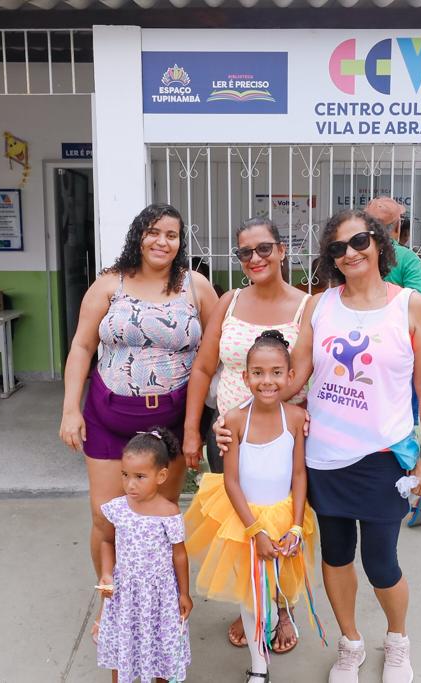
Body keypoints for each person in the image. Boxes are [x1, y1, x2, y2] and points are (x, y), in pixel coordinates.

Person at [213, 209, 421, 681]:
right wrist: (236, 419)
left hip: (383, 458)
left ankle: (396, 640)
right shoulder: (321, 306)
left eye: (359, 241)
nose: (350, 253)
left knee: (382, 563)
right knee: (336, 558)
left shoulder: (410, 305)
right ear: (331, 258)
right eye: (338, 248)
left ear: (379, 242)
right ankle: (350, 643)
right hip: (323, 458)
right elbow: (290, 376)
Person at [58, 203, 216, 638]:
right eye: (153, 232)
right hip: (109, 418)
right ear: (138, 236)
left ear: (181, 242)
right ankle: (113, 605)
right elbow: (81, 348)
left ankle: (161, 610)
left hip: (171, 426)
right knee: (106, 519)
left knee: (158, 522)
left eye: (171, 234)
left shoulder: (196, 287)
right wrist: (71, 408)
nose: (161, 242)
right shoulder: (109, 284)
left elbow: (217, 352)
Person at [182, 217, 309, 653]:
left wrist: (271, 410)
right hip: (228, 437)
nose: (255, 259)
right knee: (243, 526)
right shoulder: (229, 302)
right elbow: (203, 367)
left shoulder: (305, 307)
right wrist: (192, 432)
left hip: (284, 437)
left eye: (264, 249)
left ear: (281, 251)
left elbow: (307, 369)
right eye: (245, 252)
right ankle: (250, 605)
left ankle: (284, 605)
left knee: (284, 517)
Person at [185, 330, 318, 683]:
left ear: (290, 377)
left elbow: (300, 474)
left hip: (285, 515)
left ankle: (281, 619)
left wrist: (294, 525)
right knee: (251, 594)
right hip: (246, 520)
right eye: (257, 373)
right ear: (245, 377)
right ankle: (259, 666)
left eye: (276, 372)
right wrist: (254, 530)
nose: (267, 381)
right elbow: (231, 481)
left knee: (283, 584)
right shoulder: (233, 420)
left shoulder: (294, 419)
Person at [96, 428, 192, 683]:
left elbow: (179, 556)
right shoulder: (117, 508)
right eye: (125, 475)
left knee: (161, 647)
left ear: (161, 476)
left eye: (140, 476)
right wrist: (107, 573)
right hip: (125, 593)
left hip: (160, 596)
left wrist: (184, 593)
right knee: (123, 647)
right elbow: (107, 541)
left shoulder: (169, 513)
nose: (130, 484)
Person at [365, 196, 421, 354]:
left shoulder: (356, 256)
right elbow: (418, 303)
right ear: (398, 225)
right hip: (399, 336)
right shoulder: (408, 258)